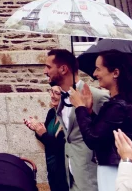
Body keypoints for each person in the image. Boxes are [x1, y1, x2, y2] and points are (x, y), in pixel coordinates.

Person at [25, 49, 107, 191]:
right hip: (69, 180)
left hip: (92, 179)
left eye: (49, 67)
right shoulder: (61, 101)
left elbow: (106, 139)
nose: (45, 71)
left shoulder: (97, 97)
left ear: (63, 69)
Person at [70, 51, 132, 191]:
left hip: (116, 169)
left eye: (98, 68)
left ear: (115, 73)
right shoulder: (126, 102)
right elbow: (104, 131)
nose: (94, 74)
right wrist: (89, 112)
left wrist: (80, 107)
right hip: (124, 166)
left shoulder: (118, 106)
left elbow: (93, 139)